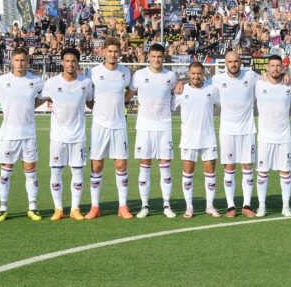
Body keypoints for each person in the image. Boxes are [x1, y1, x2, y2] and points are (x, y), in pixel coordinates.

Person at [0, 48, 44, 222]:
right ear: (11, 61)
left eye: (23, 60)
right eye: (17, 60)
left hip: (28, 134)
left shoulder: (35, 81)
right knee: (5, 173)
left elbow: (46, 96)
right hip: (8, 135)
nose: (20, 63)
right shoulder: (1, 81)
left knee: (31, 172)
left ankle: (32, 207)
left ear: (27, 61)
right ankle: (3, 207)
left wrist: (31, 107)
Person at [86, 37, 135, 219]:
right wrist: (99, 109)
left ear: (119, 53)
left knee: (121, 164)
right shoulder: (94, 72)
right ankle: (95, 206)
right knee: (97, 165)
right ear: (103, 52)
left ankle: (122, 206)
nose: (113, 55)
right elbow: (89, 98)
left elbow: (131, 90)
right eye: (110, 51)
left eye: (116, 51)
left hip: (119, 124)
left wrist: (123, 101)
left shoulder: (125, 73)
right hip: (99, 125)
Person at [42, 48, 93, 221]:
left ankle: (75, 209)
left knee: (77, 173)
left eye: (73, 61)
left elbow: (92, 102)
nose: (70, 64)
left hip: (78, 136)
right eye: (67, 61)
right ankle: (58, 208)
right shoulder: (52, 83)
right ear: (62, 63)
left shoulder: (85, 83)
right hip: (58, 137)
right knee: (56, 172)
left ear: (78, 63)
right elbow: (36, 100)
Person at [128, 43, 177, 218]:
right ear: (148, 57)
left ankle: (166, 205)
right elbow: (128, 95)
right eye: (153, 56)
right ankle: (145, 205)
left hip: (164, 127)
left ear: (164, 57)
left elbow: (177, 93)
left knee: (165, 166)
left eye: (160, 57)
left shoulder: (171, 76)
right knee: (145, 166)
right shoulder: (139, 75)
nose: (156, 60)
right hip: (144, 127)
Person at [212, 51, 258, 218]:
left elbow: (270, 79)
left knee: (247, 166)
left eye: (236, 61)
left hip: (248, 130)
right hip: (227, 131)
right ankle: (231, 205)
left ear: (240, 62)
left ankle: (246, 204)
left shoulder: (251, 76)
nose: (233, 64)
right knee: (229, 167)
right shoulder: (217, 80)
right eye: (230, 61)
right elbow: (200, 85)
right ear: (226, 63)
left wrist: (284, 76)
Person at [173, 62, 221, 218]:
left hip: (208, 138)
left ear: (204, 74)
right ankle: (189, 207)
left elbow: (217, 105)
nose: (196, 76)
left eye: (199, 73)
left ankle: (210, 206)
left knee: (210, 173)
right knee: (187, 173)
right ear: (188, 74)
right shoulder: (181, 91)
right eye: (193, 73)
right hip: (188, 139)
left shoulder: (212, 89)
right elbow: (171, 107)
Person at [254, 55, 291, 217]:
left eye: (278, 66)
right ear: (267, 68)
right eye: (272, 66)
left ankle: (286, 206)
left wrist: (290, 77)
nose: (275, 69)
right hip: (265, 138)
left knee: (285, 172)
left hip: (284, 137)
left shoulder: (290, 86)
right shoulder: (258, 84)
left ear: (282, 68)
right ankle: (262, 206)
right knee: (262, 172)